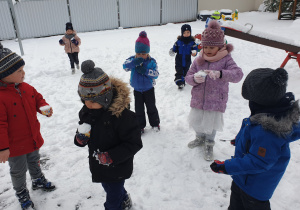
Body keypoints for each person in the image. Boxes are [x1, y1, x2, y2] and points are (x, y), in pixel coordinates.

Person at [210, 67, 300, 210]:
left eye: (251, 99)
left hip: (256, 189)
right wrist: (240, 141)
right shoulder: (267, 112)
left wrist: (226, 166)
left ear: (260, 100)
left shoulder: (269, 131)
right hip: (242, 179)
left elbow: (258, 162)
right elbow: (252, 135)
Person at [75, 60, 143, 210]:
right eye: (85, 99)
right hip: (99, 164)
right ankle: (124, 198)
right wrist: (80, 138)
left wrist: (111, 156)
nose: (88, 104)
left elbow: (134, 143)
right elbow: (82, 129)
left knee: (112, 200)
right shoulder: (86, 111)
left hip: (117, 166)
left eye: (93, 100)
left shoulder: (124, 117)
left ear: (105, 97)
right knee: (108, 187)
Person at [0, 46, 55, 210]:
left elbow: (38, 99)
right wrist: (3, 148)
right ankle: (21, 192)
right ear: (4, 74)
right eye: (19, 71)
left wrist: (44, 107)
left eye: (23, 69)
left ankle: (38, 180)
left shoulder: (27, 87)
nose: (23, 73)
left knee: (34, 161)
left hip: (32, 138)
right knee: (18, 171)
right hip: (14, 146)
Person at [185, 20, 243, 161]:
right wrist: (195, 78)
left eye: (212, 47)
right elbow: (187, 77)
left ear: (220, 47)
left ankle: (209, 143)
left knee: (211, 124)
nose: (208, 50)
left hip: (216, 100)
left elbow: (238, 74)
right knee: (198, 121)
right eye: (205, 47)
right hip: (199, 99)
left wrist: (221, 74)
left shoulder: (226, 59)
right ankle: (199, 138)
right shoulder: (199, 60)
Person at [123, 31, 160, 133]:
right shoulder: (132, 60)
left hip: (149, 89)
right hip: (137, 90)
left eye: (143, 54)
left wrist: (146, 71)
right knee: (139, 110)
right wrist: (133, 63)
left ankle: (155, 123)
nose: (140, 55)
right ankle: (140, 126)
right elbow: (125, 67)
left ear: (147, 52)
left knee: (151, 107)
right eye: (138, 53)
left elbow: (156, 74)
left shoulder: (151, 62)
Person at [169, 24, 198, 89]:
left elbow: (195, 49)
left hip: (187, 60)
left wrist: (194, 53)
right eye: (184, 33)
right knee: (179, 71)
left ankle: (183, 80)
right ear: (182, 33)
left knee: (186, 71)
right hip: (179, 59)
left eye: (188, 32)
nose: (186, 34)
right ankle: (179, 82)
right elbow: (175, 48)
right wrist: (172, 51)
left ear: (190, 32)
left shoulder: (192, 42)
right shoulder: (179, 41)